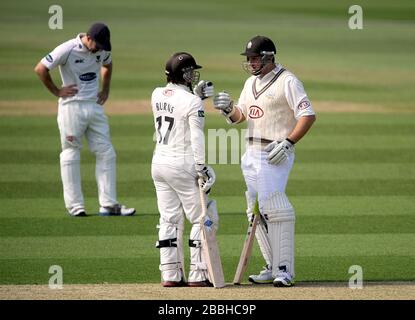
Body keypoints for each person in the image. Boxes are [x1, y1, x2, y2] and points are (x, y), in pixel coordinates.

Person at [213, 35, 316, 287]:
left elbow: (308, 115)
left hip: (275, 151)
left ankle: (285, 270)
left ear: (269, 57)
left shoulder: (288, 81)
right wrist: (228, 109)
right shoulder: (250, 82)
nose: (251, 63)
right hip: (250, 151)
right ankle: (271, 265)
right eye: (249, 59)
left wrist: (289, 142)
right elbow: (242, 116)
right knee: (255, 210)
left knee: (274, 208)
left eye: (255, 58)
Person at [34, 22, 135, 217]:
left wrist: (105, 89)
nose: (99, 49)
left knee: (107, 152)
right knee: (71, 153)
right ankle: (75, 207)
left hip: (94, 107)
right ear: (88, 38)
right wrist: (57, 91)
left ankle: (108, 204)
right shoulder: (67, 49)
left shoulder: (101, 49)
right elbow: (40, 68)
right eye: (97, 44)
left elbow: (107, 64)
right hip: (71, 107)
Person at [151, 52, 217, 287]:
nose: (193, 74)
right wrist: (201, 167)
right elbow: (196, 136)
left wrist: (195, 96)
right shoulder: (192, 101)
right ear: (183, 74)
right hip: (182, 163)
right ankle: (199, 274)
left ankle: (170, 274)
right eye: (190, 71)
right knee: (203, 217)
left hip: (159, 163)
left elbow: (175, 105)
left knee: (169, 219)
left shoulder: (156, 94)